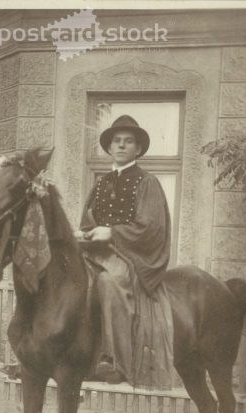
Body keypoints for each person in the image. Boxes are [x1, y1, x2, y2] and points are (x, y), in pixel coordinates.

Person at [77, 115, 174, 389]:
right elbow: (89, 220)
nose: (121, 146)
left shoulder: (147, 182)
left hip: (130, 257)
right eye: (116, 141)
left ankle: (115, 360)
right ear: (109, 148)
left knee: (109, 282)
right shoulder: (101, 183)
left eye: (128, 142)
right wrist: (84, 233)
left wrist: (112, 232)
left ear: (138, 149)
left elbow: (151, 227)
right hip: (95, 252)